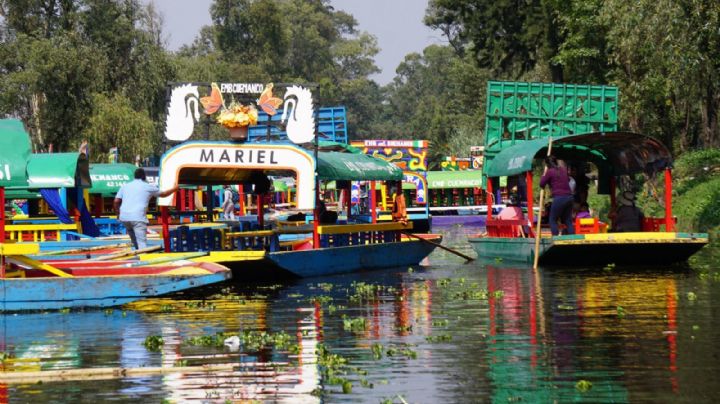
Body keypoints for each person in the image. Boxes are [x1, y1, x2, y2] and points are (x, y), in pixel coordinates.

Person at [114, 168, 178, 250]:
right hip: (138, 217)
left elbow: (116, 201)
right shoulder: (148, 187)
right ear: (144, 177)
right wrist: (174, 189)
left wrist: (118, 214)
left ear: (134, 176)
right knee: (142, 243)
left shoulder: (125, 186)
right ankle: (143, 258)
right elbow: (163, 194)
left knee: (135, 241)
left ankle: (138, 254)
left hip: (125, 217)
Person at [539, 155, 575, 235]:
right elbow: (568, 179)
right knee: (568, 220)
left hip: (560, 197)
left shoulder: (550, 172)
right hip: (569, 197)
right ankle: (572, 238)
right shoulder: (563, 170)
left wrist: (544, 175)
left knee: (552, 219)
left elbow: (541, 184)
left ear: (547, 164)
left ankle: (555, 238)